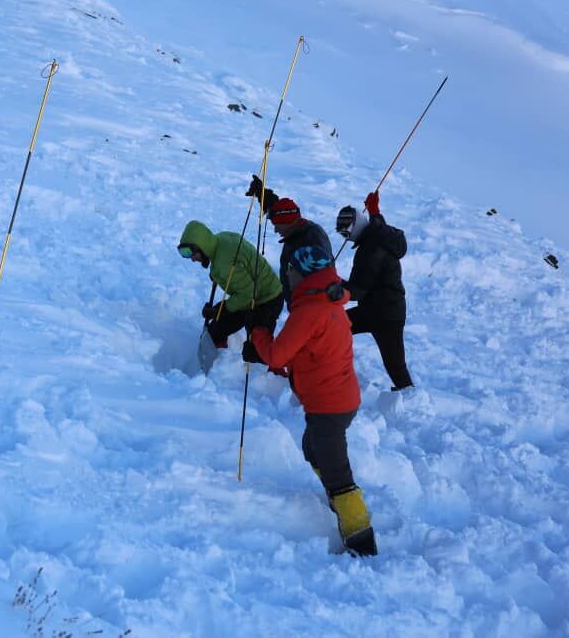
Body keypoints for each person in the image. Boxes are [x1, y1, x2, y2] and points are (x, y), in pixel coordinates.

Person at [247, 244, 377, 556]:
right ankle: (335, 495)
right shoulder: (328, 303)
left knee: (339, 473)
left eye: (291, 269)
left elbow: (277, 353)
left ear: (302, 273)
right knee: (311, 448)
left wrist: (258, 333)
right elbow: (304, 351)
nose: (287, 274)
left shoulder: (309, 311)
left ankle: (362, 544)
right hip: (337, 399)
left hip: (329, 405)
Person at [335, 191, 413, 391]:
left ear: (356, 227)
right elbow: (378, 224)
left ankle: (410, 399)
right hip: (377, 309)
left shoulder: (370, 251)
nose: (346, 239)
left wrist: (331, 282)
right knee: (335, 327)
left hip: (385, 316)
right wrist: (374, 211)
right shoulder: (380, 234)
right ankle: (330, 367)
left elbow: (357, 291)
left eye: (346, 233)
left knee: (395, 365)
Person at [177, 220, 284, 357]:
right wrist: (216, 275)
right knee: (217, 328)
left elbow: (249, 294)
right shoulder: (221, 239)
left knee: (257, 352)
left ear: (201, 247)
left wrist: (222, 308)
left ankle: (272, 373)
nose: (192, 259)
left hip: (268, 299)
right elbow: (234, 263)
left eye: (192, 254)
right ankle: (219, 356)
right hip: (250, 294)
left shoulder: (224, 264)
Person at [246, 175, 333, 307]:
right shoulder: (297, 227)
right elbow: (281, 209)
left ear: (288, 223)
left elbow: (321, 279)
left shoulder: (310, 241)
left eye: (277, 226)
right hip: (297, 301)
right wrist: (262, 193)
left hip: (309, 306)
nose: (275, 230)